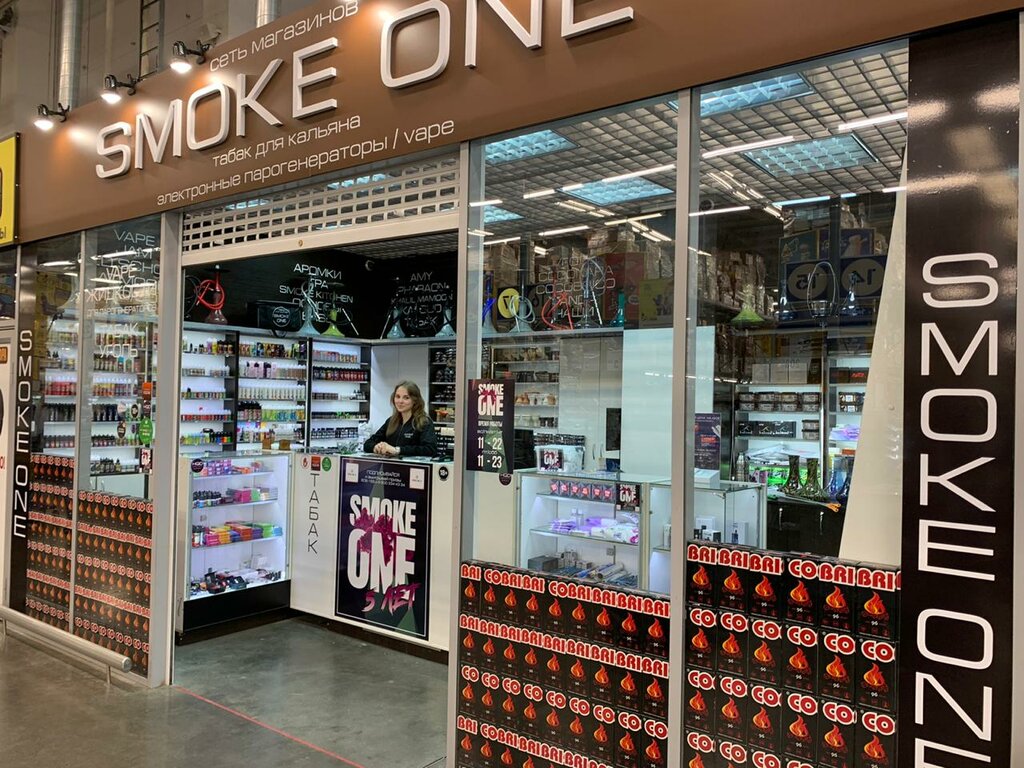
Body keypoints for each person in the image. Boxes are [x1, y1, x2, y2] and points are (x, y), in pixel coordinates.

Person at [363, 380, 437, 458]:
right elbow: (368, 444)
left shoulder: (424, 422)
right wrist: (376, 447)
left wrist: (397, 450)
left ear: (415, 401)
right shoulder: (391, 421)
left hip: (412, 465)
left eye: (406, 398)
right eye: (397, 397)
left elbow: (430, 449)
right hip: (390, 465)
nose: (400, 401)